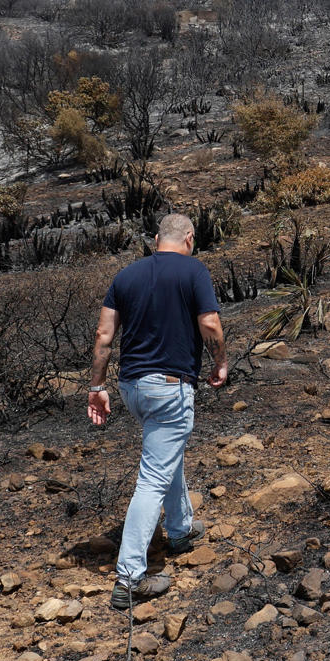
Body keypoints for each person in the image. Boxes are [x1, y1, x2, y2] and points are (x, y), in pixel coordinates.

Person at [88, 211, 228, 609]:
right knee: (153, 477)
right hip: (169, 386)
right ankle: (130, 577)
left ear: (154, 239)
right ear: (189, 237)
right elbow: (211, 323)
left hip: (132, 388)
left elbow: (103, 336)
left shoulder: (125, 276)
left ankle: (181, 530)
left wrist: (96, 387)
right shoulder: (193, 270)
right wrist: (220, 361)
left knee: (165, 456)